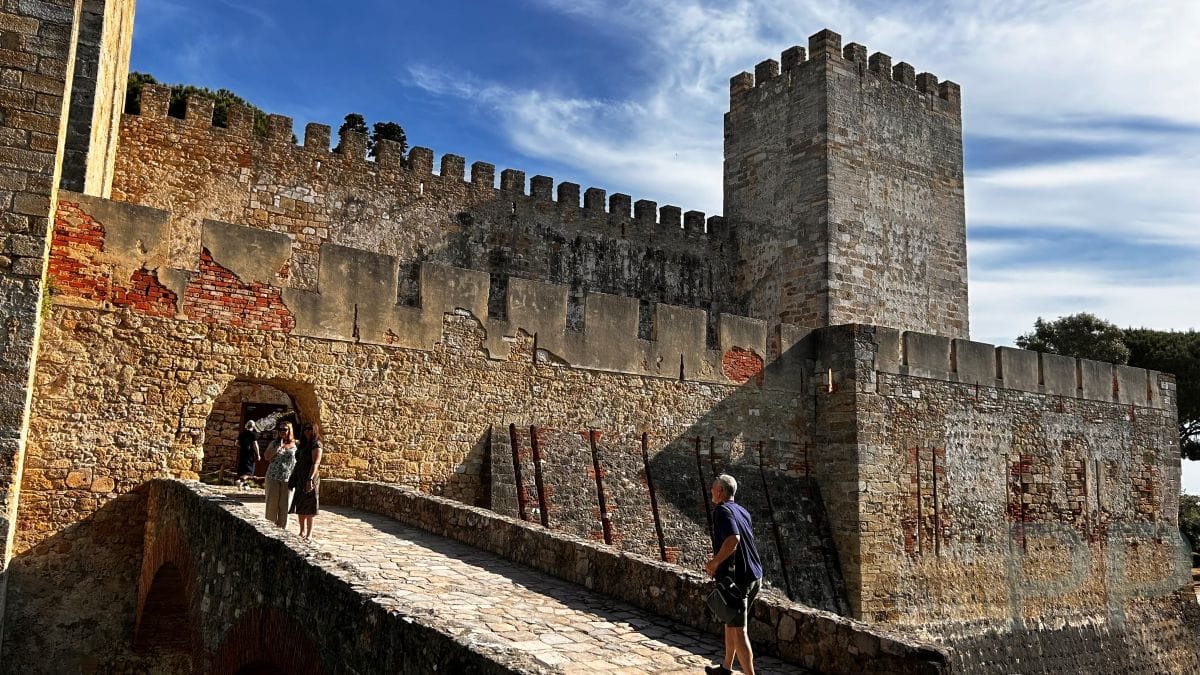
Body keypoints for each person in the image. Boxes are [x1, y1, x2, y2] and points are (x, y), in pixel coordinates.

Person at [703, 474, 763, 675]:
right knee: (731, 621)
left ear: (720, 491)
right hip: (755, 575)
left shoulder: (722, 511)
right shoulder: (743, 511)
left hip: (740, 581)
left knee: (739, 630)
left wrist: (714, 562)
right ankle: (725, 669)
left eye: (713, 488)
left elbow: (733, 540)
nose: (711, 491)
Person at [288, 422, 323, 540]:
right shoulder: (303, 445)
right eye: (305, 429)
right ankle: (302, 531)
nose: (307, 431)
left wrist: (310, 479)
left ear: (314, 430)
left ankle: (309, 533)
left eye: (309, 429)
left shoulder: (316, 445)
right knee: (301, 505)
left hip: (310, 478)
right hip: (300, 478)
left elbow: (315, 463)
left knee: (309, 507)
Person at [263, 422, 297, 528]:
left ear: (289, 430)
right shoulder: (274, 443)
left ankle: (282, 532)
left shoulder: (296, 444)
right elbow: (266, 457)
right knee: (271, 506)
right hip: (273, 477)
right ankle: (269, 530)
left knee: (285, 507)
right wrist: (278, 447)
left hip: (288, 479)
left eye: (285, 429)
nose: (282, 431)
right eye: (280, 429)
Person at [235, 421, 259, 488]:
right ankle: (240, 480)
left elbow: (236, 443)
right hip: (250, 454)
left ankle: (244, 484)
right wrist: (258, 454)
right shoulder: (253, 434)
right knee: (249, 471)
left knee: (242, 470)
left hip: (242, 454)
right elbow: (255, 445)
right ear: (253, 426)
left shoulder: (242, 434)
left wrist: (242, 447)